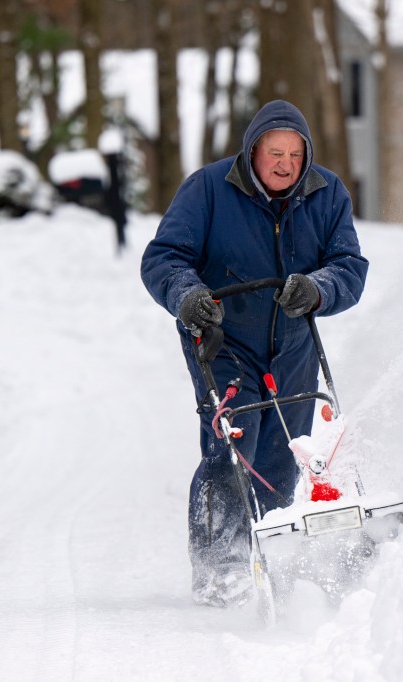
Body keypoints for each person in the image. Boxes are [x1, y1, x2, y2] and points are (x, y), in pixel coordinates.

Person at [140, 100, 369, 607]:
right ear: (253, 150)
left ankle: (270, 555)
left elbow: (349, 265)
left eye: (295, 153)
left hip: (292, 343)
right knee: (232, 447)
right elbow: (164, 257)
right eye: (274, 152)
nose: (285, 163)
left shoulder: (327, 193)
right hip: (221, 337)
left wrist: (318, 288)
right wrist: (188, 295)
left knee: (284, 455)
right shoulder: (208, 189)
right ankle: (220, 572)